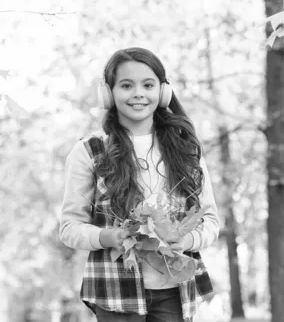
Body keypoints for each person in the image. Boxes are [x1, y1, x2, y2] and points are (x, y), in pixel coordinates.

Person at [59, 47, 220, 322]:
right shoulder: (88, 151)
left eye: (148, 85)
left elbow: (210, 220)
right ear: (108, 93)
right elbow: (69, 227)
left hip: (175, 293)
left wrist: (187, 239)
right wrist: (109, 237)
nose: (138, 93)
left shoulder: (185, 149)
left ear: (163, 91)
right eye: (126, 85)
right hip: (114, 293)